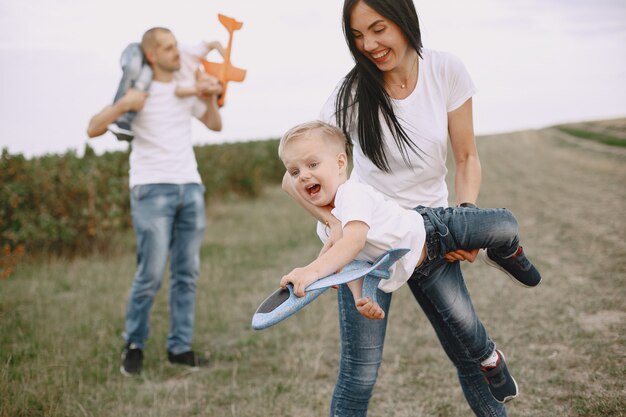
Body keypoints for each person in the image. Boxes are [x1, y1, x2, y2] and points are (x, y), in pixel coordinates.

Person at [281, 1, 530, 415]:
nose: (369, 45)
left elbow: (466, 157)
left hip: (430, 235)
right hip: (365, 247)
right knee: (358, 374)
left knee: (470, 360)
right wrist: (334, 223)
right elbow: (293, 176)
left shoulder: (446, 70)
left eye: (378, 29)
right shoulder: (349, 94)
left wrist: (466, 220)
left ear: (404, 19)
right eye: (358, 36)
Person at [278, 121, 540, 324]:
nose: (303, 176)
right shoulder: (325, 227)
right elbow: (352, 265)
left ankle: (508, 251)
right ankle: (488, 359)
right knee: (462, 325)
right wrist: (361, 297)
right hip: (419, 258)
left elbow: (353, 242)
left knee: (505, 224)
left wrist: (312, 271)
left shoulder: (352, 194)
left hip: (435, 228)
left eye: (312, 164)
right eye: (295, 171)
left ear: (340, 163)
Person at [86, 27, 223, 376]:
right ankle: (134, 345)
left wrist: (209, 95)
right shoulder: (137, 90)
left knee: (187, 273)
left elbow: (215, 124)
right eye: (167, 48)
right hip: (151, 190)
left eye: (176, 45)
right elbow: (92, 128)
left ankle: (179, 348)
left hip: (190, 187)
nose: (176, 52)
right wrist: (122, 105)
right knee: (149, 274)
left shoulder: (185, 85)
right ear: (151, 55)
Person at [108, 40, 224, 142]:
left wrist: (208, 96)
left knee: (141, 83)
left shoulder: (187, 88)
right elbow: (215, 43)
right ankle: (116, 113)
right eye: (213, 81)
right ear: (211, 73)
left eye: (211, 86)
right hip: (139, 50)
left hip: (148, 66)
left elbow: (177, 92)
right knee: (132, 70)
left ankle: (122, 121)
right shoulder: (193, 55)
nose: (210, 83)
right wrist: (226, 58)